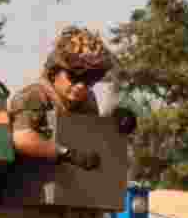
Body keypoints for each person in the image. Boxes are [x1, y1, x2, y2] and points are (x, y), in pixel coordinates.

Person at [8, 25, 114, 171]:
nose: (80, 86)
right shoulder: (35, 95)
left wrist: (118, 125)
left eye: (89, 81)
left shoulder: (87, 100)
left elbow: (93, 135)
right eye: (74, 77)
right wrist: (66, 153)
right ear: (55, 70)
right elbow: (21, 139)